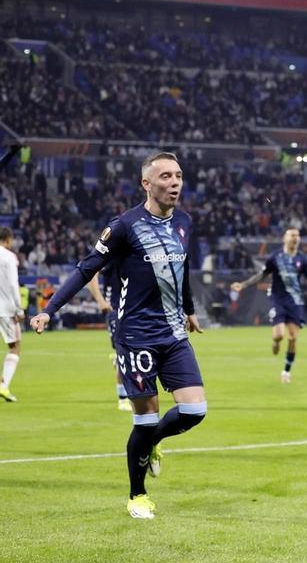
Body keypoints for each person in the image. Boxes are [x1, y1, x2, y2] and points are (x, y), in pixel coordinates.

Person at [31, 152, 206, 519]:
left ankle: (152, 442)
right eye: (165, 176)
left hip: (174, 333)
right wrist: (49, 309)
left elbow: (184, 270)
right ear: (147, 184)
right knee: (145, 418)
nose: (174, 182)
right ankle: (137, 495)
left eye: (178, 175)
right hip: (136, 336)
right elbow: (85, 269)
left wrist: (189, 309)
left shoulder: (184, 222)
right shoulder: (125, 226)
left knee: (194, 410)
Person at [231, 228, 307, 383]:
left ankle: (286, 372)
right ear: (285, 238)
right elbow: (261, 275)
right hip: (278, 299)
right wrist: (243, 285)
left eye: (297, 235)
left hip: (295, 301)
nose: (295, 238)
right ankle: (276, 341)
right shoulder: (275, 257)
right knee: (279, 335)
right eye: (292, 235)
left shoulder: (302, 259)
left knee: (293, 338)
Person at [83, 270, 128, 410]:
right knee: (124, 354)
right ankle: (123, 400)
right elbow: (92, 274)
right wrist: (100, 301)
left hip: (134, 311)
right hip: (115, 310)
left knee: (134, 353)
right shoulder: (110, 257)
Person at [0, 227, 21, 402]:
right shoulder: (9, 257)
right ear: (8, 239)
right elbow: (14, 284)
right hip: (6, 309)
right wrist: (19, 309)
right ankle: (4, 386)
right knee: (14, 346)